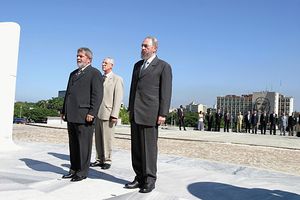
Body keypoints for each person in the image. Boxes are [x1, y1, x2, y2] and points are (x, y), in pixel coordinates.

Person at [125, 36, 172, 193]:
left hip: (150, 113)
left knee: (149, 149)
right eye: (141, 46)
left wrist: (163, 113)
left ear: (154, 48)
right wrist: (130, 109)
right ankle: (139, 177)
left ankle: (150, 179)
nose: (142, 48)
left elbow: (165, 92)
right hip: (136, 113)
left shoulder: (163, 66)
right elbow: (133, 89)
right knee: (137, 148)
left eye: (146, 46)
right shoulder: (137, 65)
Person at [61, 47, 103, 182]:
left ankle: (82, 172)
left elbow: (97, 95)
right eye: (77, 56)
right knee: (73, 145)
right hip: (71, 114)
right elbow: (68, 93)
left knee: (83, 145)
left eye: (81, 56)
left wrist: (92, 112)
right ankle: (73, 169)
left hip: (85, 115)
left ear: (89, 59)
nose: (78, 58)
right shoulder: (73, 73)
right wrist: (64, 110)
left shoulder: (94, 73)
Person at [90, 57, 123, 170]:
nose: (103, 64)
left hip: (108, 113)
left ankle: (107, 160)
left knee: (107, 138)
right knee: (98, 138)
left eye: (106, 63)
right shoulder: (99, 78)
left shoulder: (117, 79)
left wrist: (115, 114)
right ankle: (99, 159)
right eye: (102, 62)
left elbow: (118, 98)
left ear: (112, 65)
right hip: (97, 112)